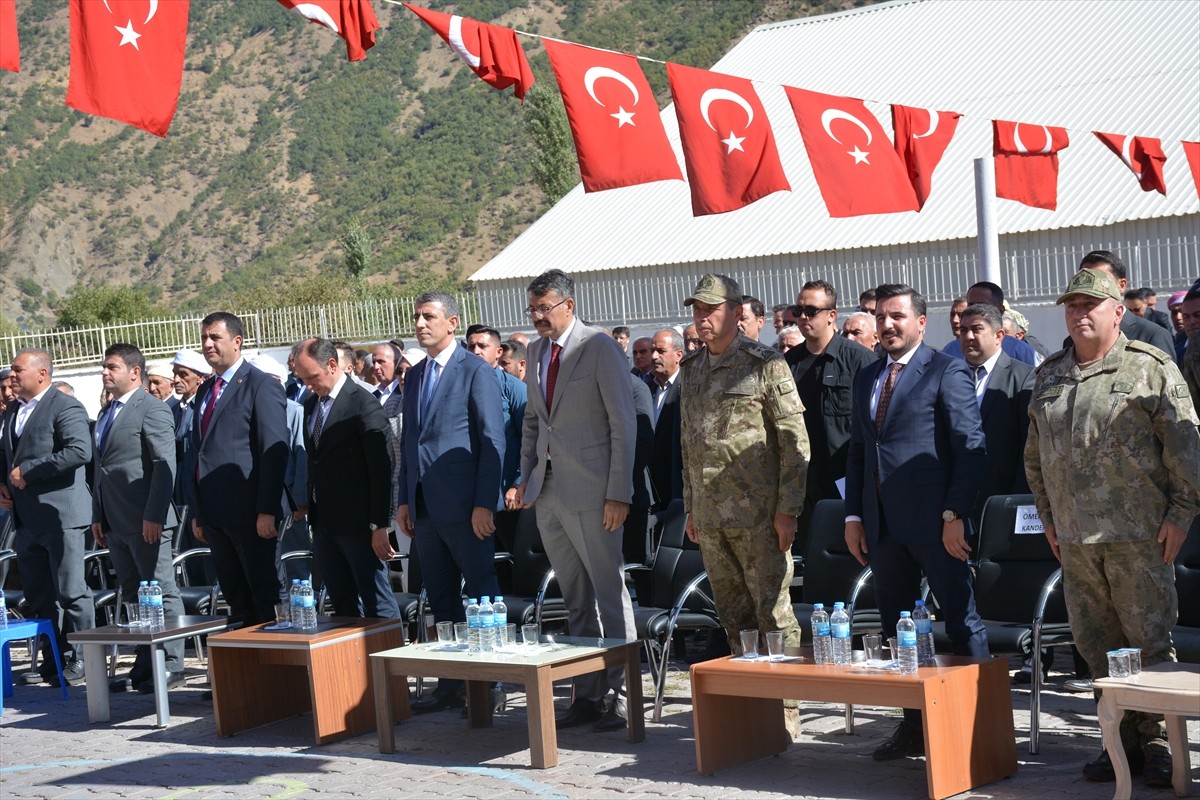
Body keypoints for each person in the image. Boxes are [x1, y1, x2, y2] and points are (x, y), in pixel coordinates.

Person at [1025, 267, 1200, 787]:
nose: (1079, 314)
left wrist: (1182, 514)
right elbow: (1035, 456)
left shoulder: (1151, 367)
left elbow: (1185, 448)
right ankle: (1117, 741)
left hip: (1140, 536)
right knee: (1097, 645)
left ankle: (1159, 743)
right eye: (1072, 306)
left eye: (1090, 305)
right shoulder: (1051, 373)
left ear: (1117, 311)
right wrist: (1050, 520)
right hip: (1076, 539)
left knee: (1148, 641)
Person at [844, 284, 989, 761]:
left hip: (936, 524)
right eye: (881, 317)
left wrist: (954, 516)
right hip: (883, 527)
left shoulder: (946, 370)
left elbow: (971, 450)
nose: (887, 325)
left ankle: (979, 728)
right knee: (897, 633)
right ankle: (914, 726)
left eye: (897, 317)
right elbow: (861, 451)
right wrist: (854, 515)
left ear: (920, 323)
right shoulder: (867, 378)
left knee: (962, 622)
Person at [513, 269, 637, 733]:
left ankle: (625, 697)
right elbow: (533, 423)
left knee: (609, 593)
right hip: (548, 494)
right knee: (575, 597)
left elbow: (623, 425)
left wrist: (618, 494)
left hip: (595, 492)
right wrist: (526, 481)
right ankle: (586, 693)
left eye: (543, 308)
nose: (537, 317)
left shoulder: (598, 347)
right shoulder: (537, 350)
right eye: (533, 309)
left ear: (568, 304)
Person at [679, 275, 809, 695]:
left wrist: (788, 510)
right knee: (734, 617)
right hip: (712, 516)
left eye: (710, 310)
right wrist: (691, 508)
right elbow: (689, 445)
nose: (702, 319)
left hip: (759, 517)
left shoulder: (764, 364)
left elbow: (794, 441)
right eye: (697, 310)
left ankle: (787, 706)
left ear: (736, 313)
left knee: (773, 614)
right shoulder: (692, 369)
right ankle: (751, 706)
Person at [396, 293, 506, 713]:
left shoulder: (474, 370)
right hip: (424, 508)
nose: (421, 323)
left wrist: (485, 503)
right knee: (440, 596)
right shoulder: (418, 374)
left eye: (429, 316)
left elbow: (492, 440)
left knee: (481, 593)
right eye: (416, 316)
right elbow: (411, 443)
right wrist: (405, 499)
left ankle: (493, 679)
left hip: (465, 507)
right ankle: (451, 681)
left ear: (452, 323)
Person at [92, 344, 183, 693]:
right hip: (115, 521)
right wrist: (98, 514)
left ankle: (172, 663)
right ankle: (146, 663)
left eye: (111, 367)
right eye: (103, 367)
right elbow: (102, 470)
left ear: (134, 372)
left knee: (160, 589)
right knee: (133, 594)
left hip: (147, 519)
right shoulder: (105, 413)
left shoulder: (152, 409)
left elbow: (164, 465)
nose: (105, 372)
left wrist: (155, 514)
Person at [0, 348, 94, 686]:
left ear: (41, 374)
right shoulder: (14, 409)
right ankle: (52, 659)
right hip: (27, 520)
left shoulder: (64, 405)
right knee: (39, 596)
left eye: (17, 370)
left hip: (61, 515)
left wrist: (30, 471)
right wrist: (3, 482)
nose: (11, 376)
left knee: (71, 592)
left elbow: (79, 451)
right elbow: (5, 452)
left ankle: (82, 659)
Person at [191, 312, 288, 625]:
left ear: (237, 341)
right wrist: (199, 512)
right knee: (236, 598)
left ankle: (278, 670)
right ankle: (247, 670)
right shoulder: (205, 391)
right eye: (204, 337)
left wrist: (266, 510)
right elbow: (199, 453)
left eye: (215, 337)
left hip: (251, 514)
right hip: (215, 513)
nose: (207, 344)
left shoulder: (260, 386)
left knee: (265, 595)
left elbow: (273, 452)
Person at [290, 338, 398, 619]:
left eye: (312, 377)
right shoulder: (312, 404)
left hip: (359, 523)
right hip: (324, 521)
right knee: (343, 602)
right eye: (302, 379)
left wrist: (379, 524)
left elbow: (382, 467)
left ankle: (388, 660)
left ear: (333, 365)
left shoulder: (363, 403)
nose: (307, 385)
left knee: (376, 600)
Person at [786, 280, 874, 538]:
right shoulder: (787, 364)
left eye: (811, 311)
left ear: (831, 316)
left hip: (846, 479)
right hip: (802, 482)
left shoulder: (859, 360)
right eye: (798, 310)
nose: (803, 317)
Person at [956, 304, 1033, 525]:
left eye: (977, 329)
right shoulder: (947, 375)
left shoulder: (1024, 378)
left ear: (999, 335)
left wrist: (1016, 500)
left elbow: (1029, 446)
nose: (968, 336)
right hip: (956, 502)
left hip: (1002, 498)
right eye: (963, 330)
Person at [249, 353, 311, 586]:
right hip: (260, 500)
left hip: (288, 504)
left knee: (295, 563)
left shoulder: (294, 410)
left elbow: (302, 456)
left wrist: (300, 503)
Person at [465, 324, 528, 554]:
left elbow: (530, 440)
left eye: (483, 345)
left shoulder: (514, 389)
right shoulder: (461, 387)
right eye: (471, 346)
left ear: (499, 351)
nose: (476, 351)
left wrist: (518, 483)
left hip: (508, 497)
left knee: (514, 561)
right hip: (472, 495)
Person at [1059, 251, 1175, 358]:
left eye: (1103, 279)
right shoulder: (1072, 341)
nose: (1093, 285)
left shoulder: (1152, 335)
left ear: (1122, 285)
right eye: (1088, 279)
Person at [942, 283, 1037, 365]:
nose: (975, 310)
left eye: (982, 305)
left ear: (1000, 310)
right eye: (971, 305)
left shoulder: (1021, 351)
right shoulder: (951, 350)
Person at [648, 329, 684, 520]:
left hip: (676, 485)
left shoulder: (687, 387)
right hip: (651, 488)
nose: (654, 356)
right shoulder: (647, 388)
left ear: (678, 355)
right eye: (652, 350)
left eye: (661, 351)